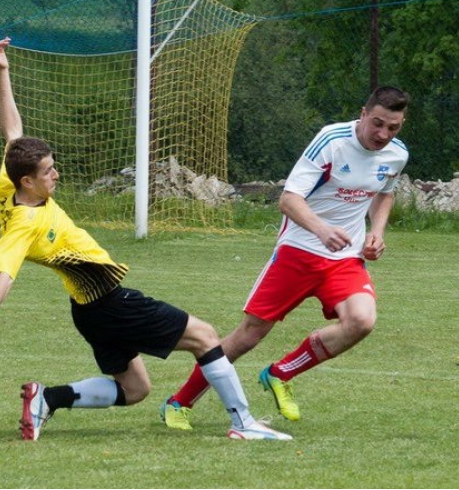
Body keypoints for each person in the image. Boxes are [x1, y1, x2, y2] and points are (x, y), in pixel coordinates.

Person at [0, 37, 290, 442]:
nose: (56, 175)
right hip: (110, 303)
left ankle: (45, 399)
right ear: (28, 180)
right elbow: (4, 277)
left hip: (88, 309)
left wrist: (2, 70)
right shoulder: (24, 222)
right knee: (205, 336)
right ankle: (243, 423)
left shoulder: (6, 184)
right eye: (49, 171)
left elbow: (13, 131)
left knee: (135, 390)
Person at [161, 86, 410, 430]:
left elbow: (384, 194)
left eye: (393, 127)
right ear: (363, 114)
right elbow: (289, 200)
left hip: (344, 258)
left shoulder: (396, 154)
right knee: (248, 336)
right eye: (378, 124)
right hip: (299, 251)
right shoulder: (332, 141)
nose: (383, 134)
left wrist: (377, 232)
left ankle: (281, 373)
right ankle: (179, 402)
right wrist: (321, 229)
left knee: (361, 321)